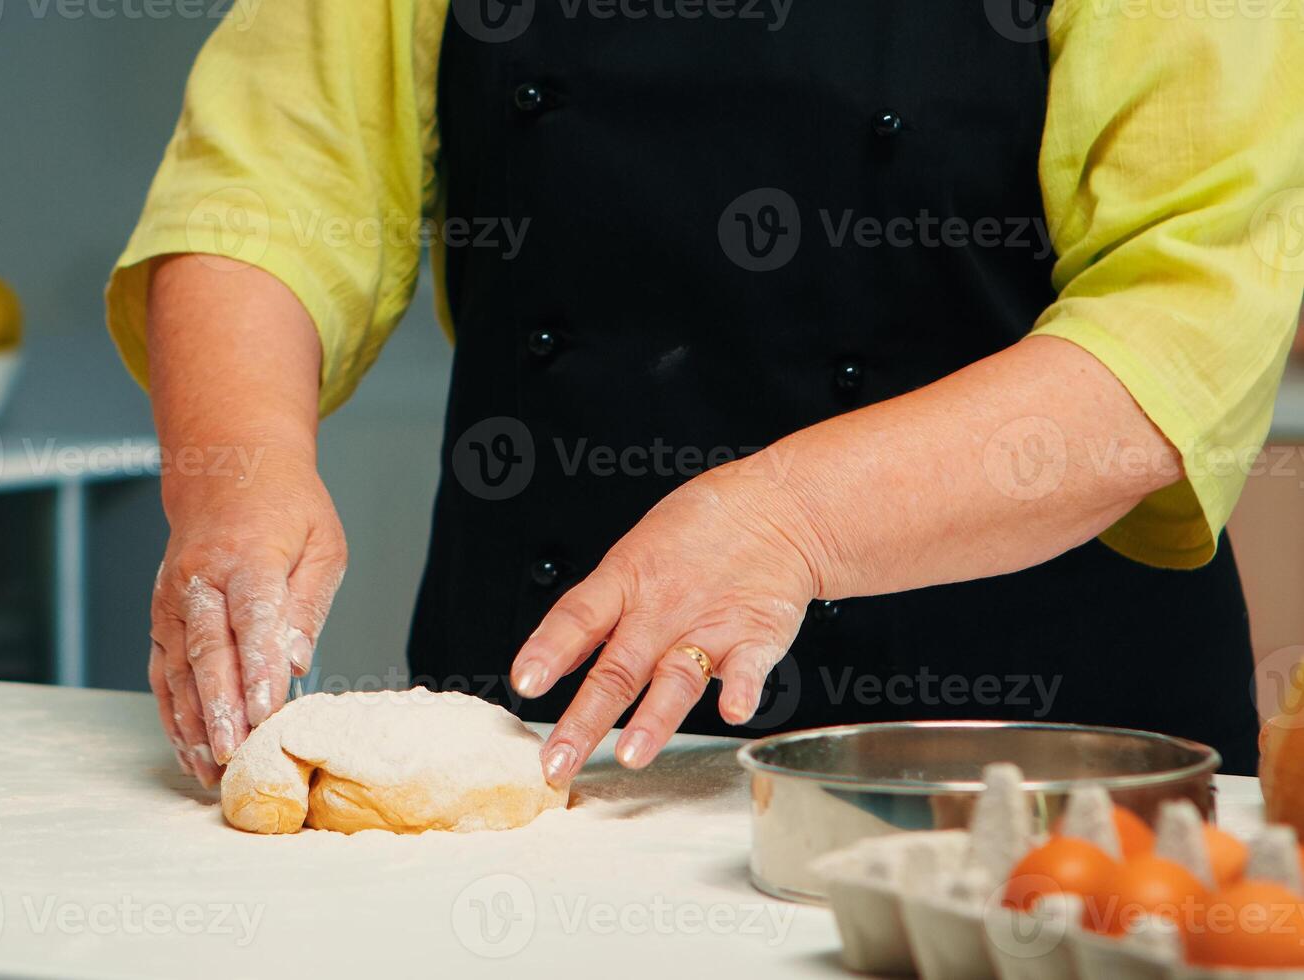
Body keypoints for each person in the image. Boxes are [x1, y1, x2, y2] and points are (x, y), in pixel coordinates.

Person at [108, 0, 1304, 786]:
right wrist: (239, 471)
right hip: (549, 739)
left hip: (1021, 763)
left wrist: (790, 519)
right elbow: (263, 190)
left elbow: (1178, 324)